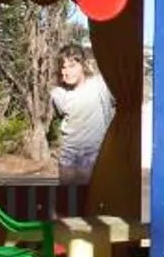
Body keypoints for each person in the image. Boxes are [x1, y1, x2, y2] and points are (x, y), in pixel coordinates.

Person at [49, 46, 115, 189]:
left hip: (94, 153)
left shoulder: (101, 85)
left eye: (72, 66)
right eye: (63, 67)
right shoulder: (58, 94)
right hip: (68, 155)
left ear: (83, 65)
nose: (66, 72)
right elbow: (61, 115)